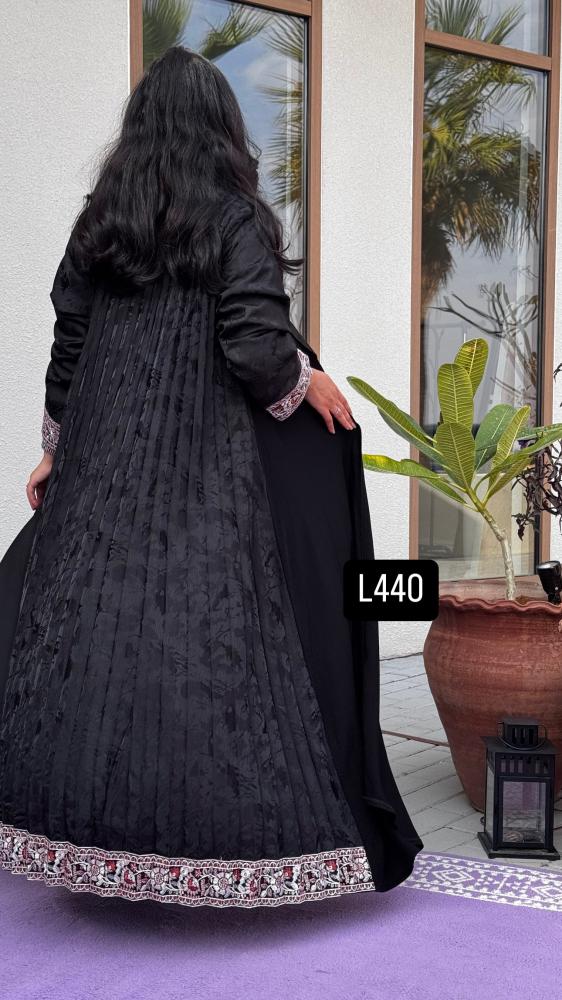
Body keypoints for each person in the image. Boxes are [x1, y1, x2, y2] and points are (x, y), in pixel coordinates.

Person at [0, 46, 423, 907]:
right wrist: (310, 383)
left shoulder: (99, 224)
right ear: (224, 128)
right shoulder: (235, 219)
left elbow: (69, 345)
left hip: (106, 463)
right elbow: (256, 349)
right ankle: (220, 845)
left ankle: (89, 834)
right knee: (217, 639)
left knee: (99, 632)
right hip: (212, 470)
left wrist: (54, 449)